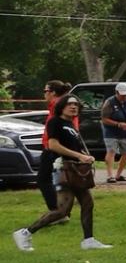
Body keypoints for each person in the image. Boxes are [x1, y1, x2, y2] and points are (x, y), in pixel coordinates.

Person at [14, 94, 109, 251]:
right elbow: (53, 145)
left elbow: (75, 146)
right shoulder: (55, 122)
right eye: (69, 104)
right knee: (62, 210)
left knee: (85, 203)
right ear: (61, 106)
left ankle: (88, 240)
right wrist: (79, 156)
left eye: (76, 105)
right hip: (63, 169)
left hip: (74, 169)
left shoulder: (70, 124)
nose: (73, 107)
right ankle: (25, 233)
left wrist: (85, 156)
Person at [33, 79, 72, 211]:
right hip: (53, 147)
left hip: (54, 148)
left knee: (44, 179)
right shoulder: (58, 105)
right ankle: (61, 210)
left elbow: (67, 128)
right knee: (59, 180)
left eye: (46, 91)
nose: (44, 94)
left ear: (53, 92)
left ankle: (56, 212)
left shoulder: (59, 107)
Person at [100, 81, 126, 182]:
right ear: (117, 92)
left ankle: (118, 174)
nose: (125, 97)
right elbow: (104, 119)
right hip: (111, 132)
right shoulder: (109, 102)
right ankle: (110, 175)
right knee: (111, 151)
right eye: (123, 95)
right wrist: (118, 124)